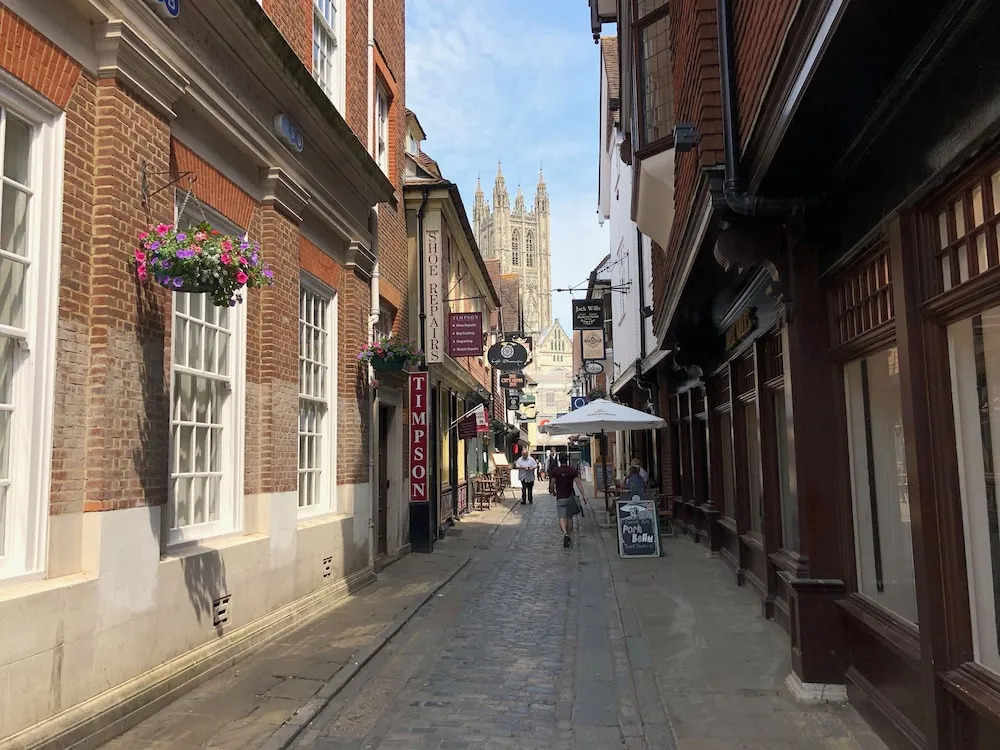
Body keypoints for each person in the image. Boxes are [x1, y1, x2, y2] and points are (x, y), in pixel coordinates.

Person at [550, 451, 588, 547]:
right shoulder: (572, 470)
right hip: (570, 496)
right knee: (569, 518)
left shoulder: (555, 471)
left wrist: (552, 491)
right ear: (567, 459)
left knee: (562, 518)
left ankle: (565, 534)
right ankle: (569, 535)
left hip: (560, 497)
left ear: (559, 460)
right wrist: (583, 495)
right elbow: (578, 483)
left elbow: (552, 483)